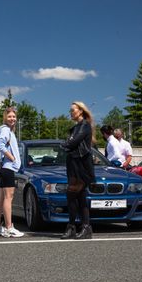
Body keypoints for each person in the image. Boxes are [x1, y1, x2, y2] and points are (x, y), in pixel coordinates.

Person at [60, 101, 96, 239]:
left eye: (73, 110)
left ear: (80, 111)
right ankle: (84, 228)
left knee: (71, 195)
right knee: (80, 197)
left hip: (81, 166)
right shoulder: (76, 127)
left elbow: (74, 142)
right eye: (70, 110)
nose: (71, 112)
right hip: (74, 164)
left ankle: (73, 227)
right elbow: (72, 142)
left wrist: (62, 145)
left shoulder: (84, 125)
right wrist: (66, 145)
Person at [0, 107, 24, 238]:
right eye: (10, 116)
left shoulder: (8, 130)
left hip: (6, 168)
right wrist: (12, 158)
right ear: (5, 117)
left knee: (0, 199)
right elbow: (0, 146)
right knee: (8, 198)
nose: (12, 119)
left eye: (14, 117)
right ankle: (9, 227)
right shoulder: (5, 130)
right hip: (8, 168)